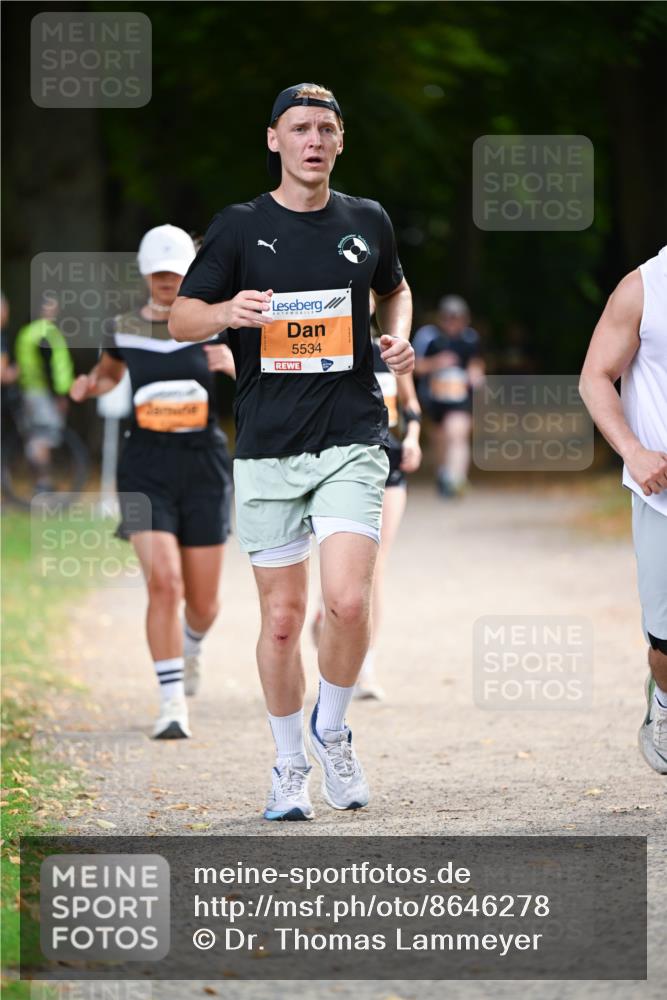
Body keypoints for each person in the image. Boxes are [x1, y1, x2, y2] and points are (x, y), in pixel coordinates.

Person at [170, 83, 414, 821]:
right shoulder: (239, 228)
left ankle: (331, 730)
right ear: (273, 139)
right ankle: (286, 765)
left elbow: (395, 289)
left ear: (340, 142)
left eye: (326, 130)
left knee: (345, 601)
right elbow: (181, 316)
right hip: (268, 446)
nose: (313, 140)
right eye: (299, 128)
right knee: (280, 619)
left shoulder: (366, 221)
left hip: (350, 436)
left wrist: (396, 333)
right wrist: (223, 311)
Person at [70, 225, 235, 740]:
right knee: (164, 582)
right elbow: (112, 372)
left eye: (176, 272)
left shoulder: (217, 324)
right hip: (144, 467)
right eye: (159, 273)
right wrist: (91, 384)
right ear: (145, 273)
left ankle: (191, 647)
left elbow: (263, 377)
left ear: (190, 271)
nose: (167, 281)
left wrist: (233, 363)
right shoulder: (121, 327)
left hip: (203, 465)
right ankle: (170, 704)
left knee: (204, 604)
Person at [579, 245, 667, 775]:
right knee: (666, 644)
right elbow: (594, 377)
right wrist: (634, 452)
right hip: (662, 497)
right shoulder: (644, 288)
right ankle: (662, 691)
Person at [312, 302, 422, 700]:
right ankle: (330, 613)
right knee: (345, 568)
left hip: (389, 466)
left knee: (375, 567)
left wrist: (412, 440)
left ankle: (366, 667)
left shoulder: (390, 350)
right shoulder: (323, 347)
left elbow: (410, 406)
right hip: (341, 469)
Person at [413, 295, 484, 497]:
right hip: (434, 399)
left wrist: (475, 374)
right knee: (440, 440)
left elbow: (476, 362)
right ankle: (444, 475)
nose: (453, 322)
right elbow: (416, 367)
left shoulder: (470, 338)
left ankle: (457, 479)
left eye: (457, 318)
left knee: (458, 434)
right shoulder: (428, 337)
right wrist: (437, 363)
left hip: (459, 399)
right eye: (448, 318)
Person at [14, 296, 74, 489]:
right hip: (42, 393)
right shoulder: (45, 333)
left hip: (28, 391)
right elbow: (50, 367)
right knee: (44, 437)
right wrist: (60, 394)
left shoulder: (26, 332)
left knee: (34, 437)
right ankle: (43, 483)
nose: (53, 313)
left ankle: (37, 483)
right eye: (49, 308)